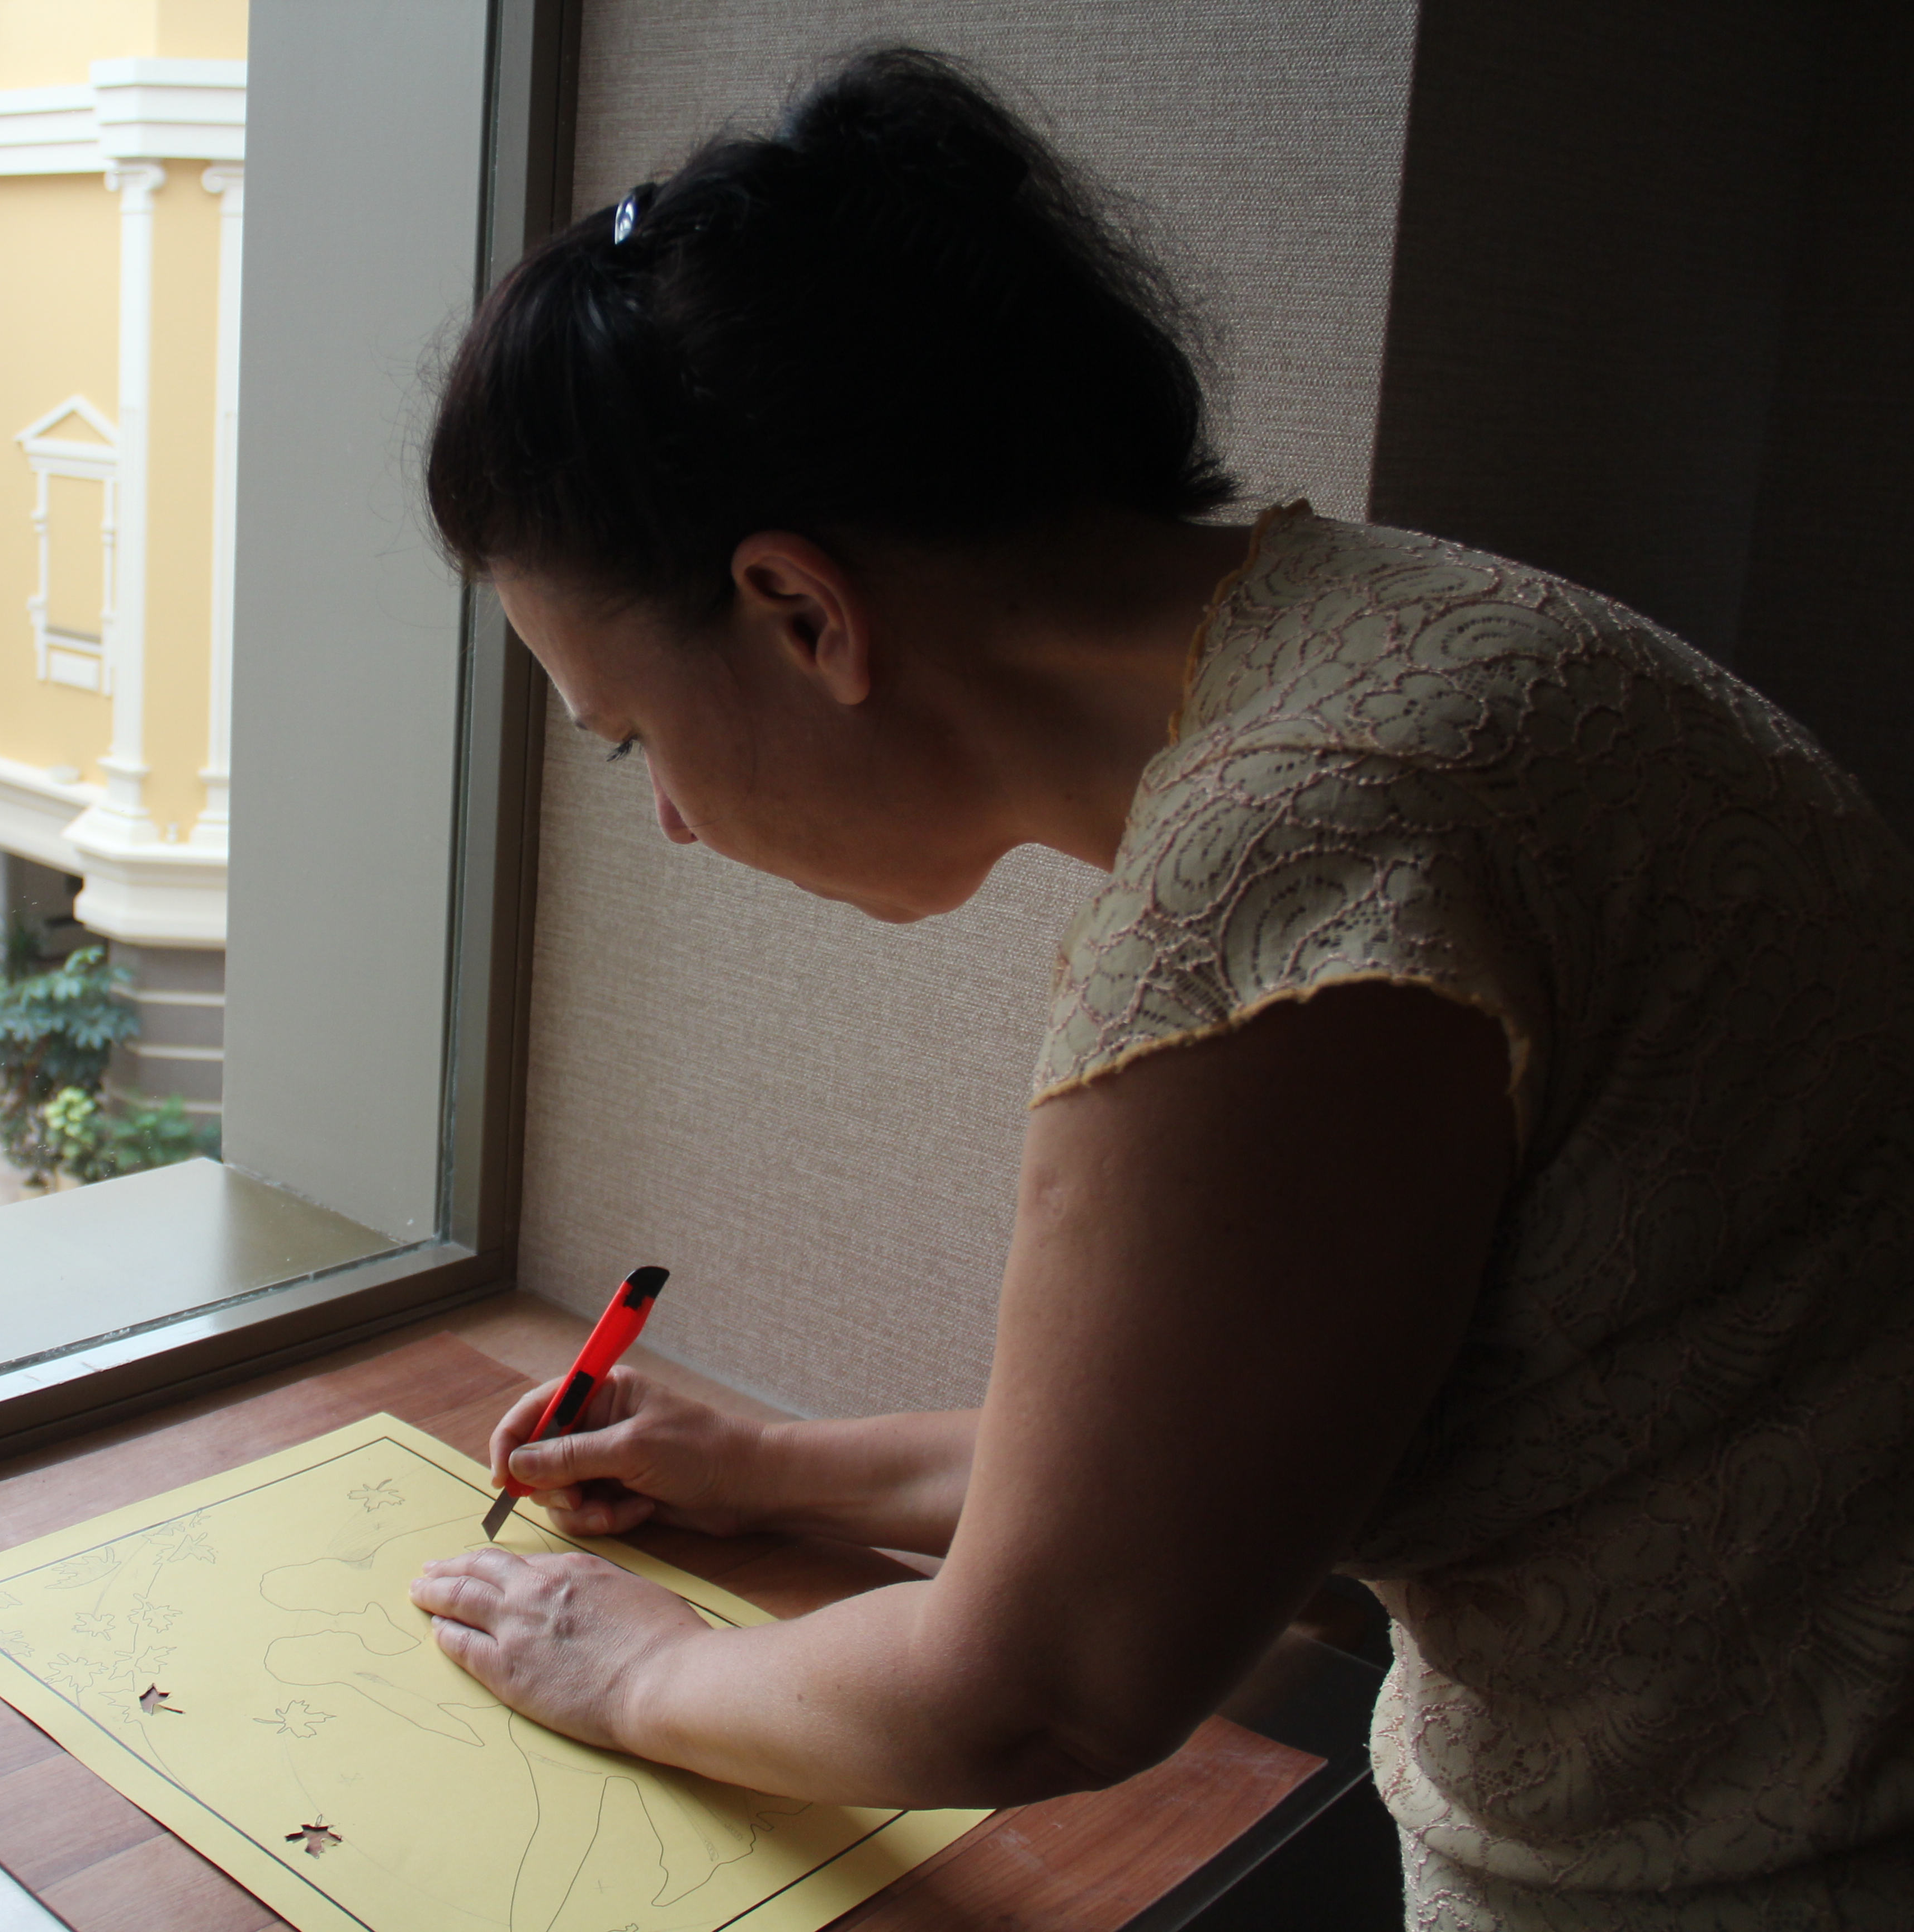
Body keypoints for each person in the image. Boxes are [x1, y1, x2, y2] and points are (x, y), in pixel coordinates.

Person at [403, 44, 1914, 1931]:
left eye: (631, 737)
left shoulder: (1285, 875)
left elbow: (1046, 1678)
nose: (677, 822)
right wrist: (773, 1471)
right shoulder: (1410, 633)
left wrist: (633, 1670)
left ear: (801, 611)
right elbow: (1202, 1457)